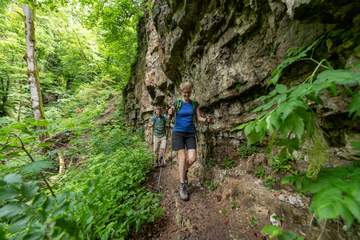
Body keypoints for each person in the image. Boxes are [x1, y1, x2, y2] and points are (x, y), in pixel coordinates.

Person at [168, 82, 212, 201]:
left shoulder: (194, 104)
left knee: (192, 158)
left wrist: (206, 119)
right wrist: (170, 113)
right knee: (182, 157)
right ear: (181, 92)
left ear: (191, 91)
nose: (186, 94)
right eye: (184, 93)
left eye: (188, 92)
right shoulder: (177, 103)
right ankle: (182, 185)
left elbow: (198, 118)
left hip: (190, 133)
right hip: (178, 132)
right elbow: (170, 113)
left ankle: (184, 171)